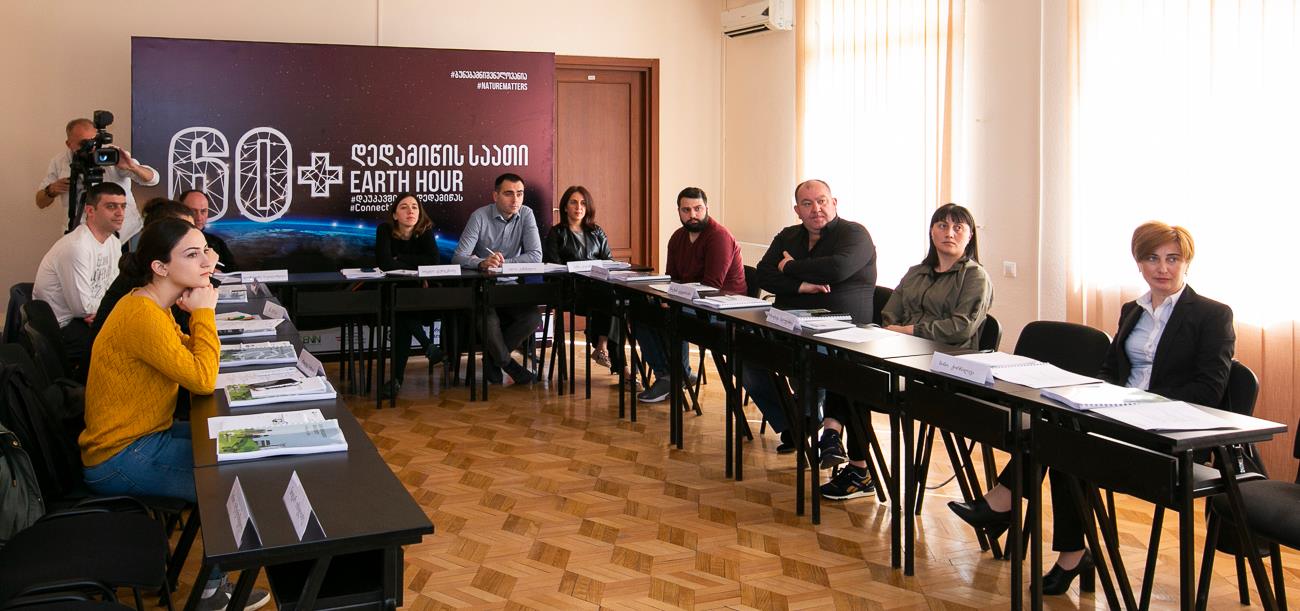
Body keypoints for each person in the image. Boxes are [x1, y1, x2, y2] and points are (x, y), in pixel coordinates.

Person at [948, 221, 1232, 595]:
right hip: (1118, 417)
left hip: (1169, 434)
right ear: (1139, 263)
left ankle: (1006, 506)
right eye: (1152, 258)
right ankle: (1063, 548)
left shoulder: (1213, 315)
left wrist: (1139, 402)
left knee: (1063, 443)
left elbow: (1209, 391)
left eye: (1172, 259)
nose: (1162, 268)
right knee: (1058, 431)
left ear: (1186, 262)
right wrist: (1097, 394)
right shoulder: (1133, 310)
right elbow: (1110, 370)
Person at [78, 217, 270, 610]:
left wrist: (198, 317)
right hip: (119, 456)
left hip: (145, 436)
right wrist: (204, 313)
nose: (206, 262)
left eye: (206, 251)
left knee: (228, 445)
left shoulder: (151, 304)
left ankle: (208, 582)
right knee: (226, 481)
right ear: (160, 267)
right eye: (192, 254)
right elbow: (202, 378)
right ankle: (211, 593)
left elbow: (191, 353)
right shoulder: (143, 315)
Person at [818, 203, 992, 500]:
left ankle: (852, 462)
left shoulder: (975, 277)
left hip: (944, 370)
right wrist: (899, 331)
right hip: (900, 357)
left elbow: (960, 328)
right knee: (845, 366)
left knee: (856, 380)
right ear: (931, 231)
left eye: (958, 227)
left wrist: (909, 330)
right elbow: (890, 313)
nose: (949, 233)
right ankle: (837, 441)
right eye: (942, 225)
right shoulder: (916, 273)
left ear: (970, 235)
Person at [752, 179, 877, 454]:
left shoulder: (854, 234)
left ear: (834, 203)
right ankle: (792, 422)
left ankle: (813, 419)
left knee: (813, 358)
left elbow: (837, 269)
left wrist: (790, 266)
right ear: (797, 210)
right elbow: (763, 274)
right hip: (789, 325)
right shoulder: (788, 236)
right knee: (747, 353)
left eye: (822, 201)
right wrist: (801, 286)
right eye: (807, 204)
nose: (816, 209)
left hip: (841, 331)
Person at [635, 187, 746, 403]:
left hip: (722, 307)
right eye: (686, 210)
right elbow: (671, 279)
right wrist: (665, 297)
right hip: (689, 301)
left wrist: (674, 300)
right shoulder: (678, 237)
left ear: (707, 208)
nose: (692, 215)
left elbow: (711, 287)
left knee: (673, 315)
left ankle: (676, 376)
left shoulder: (719, 236)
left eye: (698, 208)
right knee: (640, 311)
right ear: (678, 211)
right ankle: (670, 375)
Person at [452, 173, 544, 384]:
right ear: (495, 196)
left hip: (510, 286)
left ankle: (492, 360)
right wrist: (482, 263)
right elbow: (458, 257)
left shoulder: (526, 214)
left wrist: (503, 264)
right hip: (483, 287)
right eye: (509, 194)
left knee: (532, 318)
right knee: (489, 320)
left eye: (520, 194)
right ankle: (509, 365)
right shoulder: (479, 216)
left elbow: (535, 256)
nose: (515, 200)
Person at [32, 183, 127, 373]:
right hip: (63, 327)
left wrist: (106, 311)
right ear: (90, 211)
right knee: (122, 350)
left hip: (88, 318)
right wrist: (107, 311)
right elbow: (82, 308)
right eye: (111, 206)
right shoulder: (77, 247)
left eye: (123, 206)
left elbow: (114, 290)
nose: (120, 213)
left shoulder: (114, 243)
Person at [91, 198, 198, 347]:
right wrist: (203, 311)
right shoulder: (144, 287)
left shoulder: (155, 274)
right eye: (184, 230)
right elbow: (195, 357)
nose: (193, 236)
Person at [35, 117, 159, 242]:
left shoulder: (112, 154)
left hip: (124, 234)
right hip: (81, 237)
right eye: (84, 143)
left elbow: (152, 179)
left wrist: (133, 167)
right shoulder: (59, 161)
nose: (91, 148)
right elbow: (40, 202)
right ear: (69, 144)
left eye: (93, 142)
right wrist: (51, 190)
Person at [376, 193, 444, 396]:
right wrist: (417, 266)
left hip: (418, 296)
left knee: (402, 315)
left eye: (414, 207)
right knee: (401, 312)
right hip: (389, 295)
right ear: (395, 214)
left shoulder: (425, 231)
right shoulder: (384, 229)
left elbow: (433, 261)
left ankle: (396, 380)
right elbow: (385, 263)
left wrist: (400, 258)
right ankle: (427, 345)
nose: (410, 211)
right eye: (404, 207)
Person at [543, 185, 617, 369]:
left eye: (583, 203)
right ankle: (608, 354)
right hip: (569, 291)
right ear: (565, 207)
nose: (579, 207)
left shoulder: (596, 232)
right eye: (573, 203)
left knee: (616, 301)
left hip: (597, 289)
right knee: (609, 300)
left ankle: (602, 346)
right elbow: (553, 267)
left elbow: (608, 261)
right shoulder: (556, 233)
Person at [178, 189, 239, 272]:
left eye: (203, 211)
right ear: (180, 211)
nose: (199, 217)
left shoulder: (217, 243)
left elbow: (234, 272)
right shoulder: (169, 241)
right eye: (193, 211)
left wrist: (219, 274)